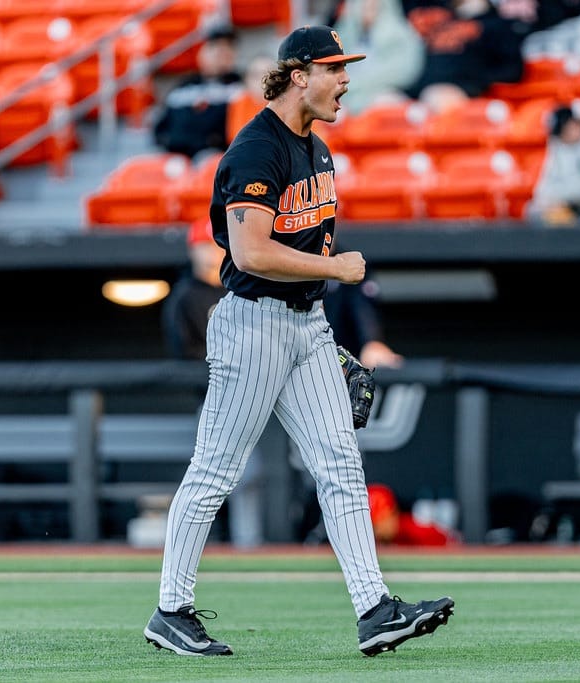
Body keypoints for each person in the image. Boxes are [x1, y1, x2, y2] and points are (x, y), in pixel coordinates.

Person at [143, 25, 454, 658]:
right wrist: (337, 272)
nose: (345, 81)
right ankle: (170, 610)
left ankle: (375, 609)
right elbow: (251, 252)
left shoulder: (315, 147)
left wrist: (320, 311)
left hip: (304, 323)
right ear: (298, 74)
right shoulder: (258, 149)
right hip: (255, 322)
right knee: (215, 472)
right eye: (335, 68)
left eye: (346, 68)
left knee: (341, 465)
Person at [161, 216, 265, 549]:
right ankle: (193, 550)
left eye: (216, 246)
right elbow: (186, 354)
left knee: (250, 476)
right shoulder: (185, 298)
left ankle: (247, 545)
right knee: (212, 481)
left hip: (252, 397)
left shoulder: (241, 290)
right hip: (213, 400)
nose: (210, 254)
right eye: (203, 247)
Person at [402, 0, 525, 113]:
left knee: (436, 98)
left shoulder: (496, 22)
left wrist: (478, 82)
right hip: (414, 90)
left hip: (458, 92)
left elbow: (513, 70)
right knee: (388, 102)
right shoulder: (433, 14)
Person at [152, 23, 243, 160]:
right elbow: (161, 128)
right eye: (215, 46)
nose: (222, 52)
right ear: (202, 53)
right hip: (179, 159)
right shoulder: (184, 87)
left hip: (222, 159)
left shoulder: (242, 86)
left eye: (228, 46)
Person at [327, 0, 426, 114]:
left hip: (381, 93)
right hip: (345, 96)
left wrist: (358, 84)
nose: (367, 14)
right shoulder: (344, 37)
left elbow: (402, 72)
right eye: (363, 8)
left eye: (373, 8)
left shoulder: (401, 36)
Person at [368, 483, 460, 545]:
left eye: (379, 522)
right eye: (373, 525)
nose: (377, 531)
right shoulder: (366, 541)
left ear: (393, 513)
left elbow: (451, 541)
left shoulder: (413, 531)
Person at [226, 53, 279, 144]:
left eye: (268, 74)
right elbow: (236, 137)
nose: (262, 79)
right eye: (256, 75)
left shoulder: (290, 103)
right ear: (247, 80)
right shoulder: (239, 102)